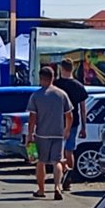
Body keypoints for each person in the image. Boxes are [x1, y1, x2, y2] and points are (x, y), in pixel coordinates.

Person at [25, 66, 72, 200]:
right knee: (57, 161)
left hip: (42, 134)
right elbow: (69, 115)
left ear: (41, 78)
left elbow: (32, 117)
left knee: (41, 162)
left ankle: (41, 189)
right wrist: (67, 129)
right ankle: (57, 187)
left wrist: (30, 133)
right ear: (53, 78)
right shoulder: (61, 94)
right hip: (58, 133)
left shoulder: (36, 95)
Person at [53, 58, 89, 186]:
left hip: (58, 122)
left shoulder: (55, 85)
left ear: (62, 68)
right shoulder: (79, 86)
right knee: (70, 151)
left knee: (59, 152)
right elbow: (83, 109)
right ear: (72, 68)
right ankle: (69, 178)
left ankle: (60, 175)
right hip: (74, 122)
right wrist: (84, 127)